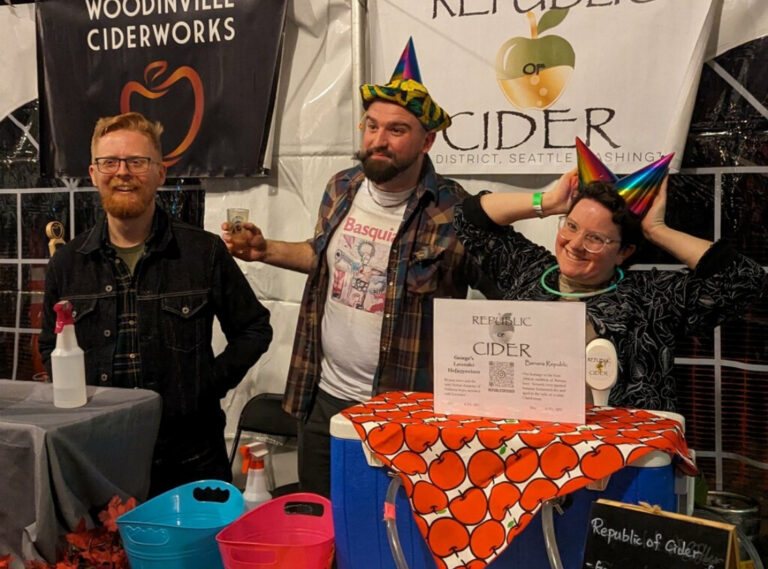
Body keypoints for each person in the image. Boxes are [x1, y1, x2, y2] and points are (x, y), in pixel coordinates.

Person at [222, 38, 497, 497]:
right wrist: (265, 249)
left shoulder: (456, 212)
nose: (378, 140)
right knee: (323, 519)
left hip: (407, 409)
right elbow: (325, 258)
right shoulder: (342, 187)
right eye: (371, 126)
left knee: (393, 533)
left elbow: (505, 295)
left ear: (427, 140)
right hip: (325, 397)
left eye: (396, 130)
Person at [39, 111, 273, 496]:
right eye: (109, 162)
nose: (123, 172)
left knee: (192, 557)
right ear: (93, 173)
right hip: (97, 458)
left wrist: (206, 384)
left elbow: (254, 328)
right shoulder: (67, 265)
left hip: (190, 459)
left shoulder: (202, 253)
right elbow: (52, 344)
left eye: (137, 161)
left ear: (160, 173)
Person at [454, 138, 766, 412]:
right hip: (535, 447)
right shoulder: (530, 270)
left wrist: (656, 231)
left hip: (626, 457)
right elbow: (470, 217)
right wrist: (547, 202)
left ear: (623, 252)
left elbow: (744, 279)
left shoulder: (651, 298)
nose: (575, 245)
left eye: (595, 239)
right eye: (571, 226)